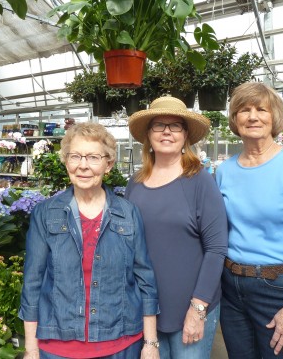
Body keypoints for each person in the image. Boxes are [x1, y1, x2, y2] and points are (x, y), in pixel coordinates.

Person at [19, 122, 160, 359]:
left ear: (109, 164)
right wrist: (31, 349)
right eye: (75, 156)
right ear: (66, 161)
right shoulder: (46, 214)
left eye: (93, 157)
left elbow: (145, 279)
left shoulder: (128, 213)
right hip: (58, 346)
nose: (83, 166)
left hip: (121, 343)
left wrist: (151, 343)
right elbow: (32, 283)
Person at [215, 82, 283, 358]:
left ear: (274, 117)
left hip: (279, 288)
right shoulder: (224, 172)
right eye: (244, 110)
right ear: (234, 119)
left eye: (261, 109)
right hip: (231, 287)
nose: (252, 116)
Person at [125, 96, 228, 359]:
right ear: (148, 134)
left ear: (186, 136)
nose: (167, 131)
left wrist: (198, 308)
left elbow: (216, 249)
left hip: (188, 308)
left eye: (176, 126)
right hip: (146, 309)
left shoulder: (200, 182)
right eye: (159, 125)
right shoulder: (134, 184)